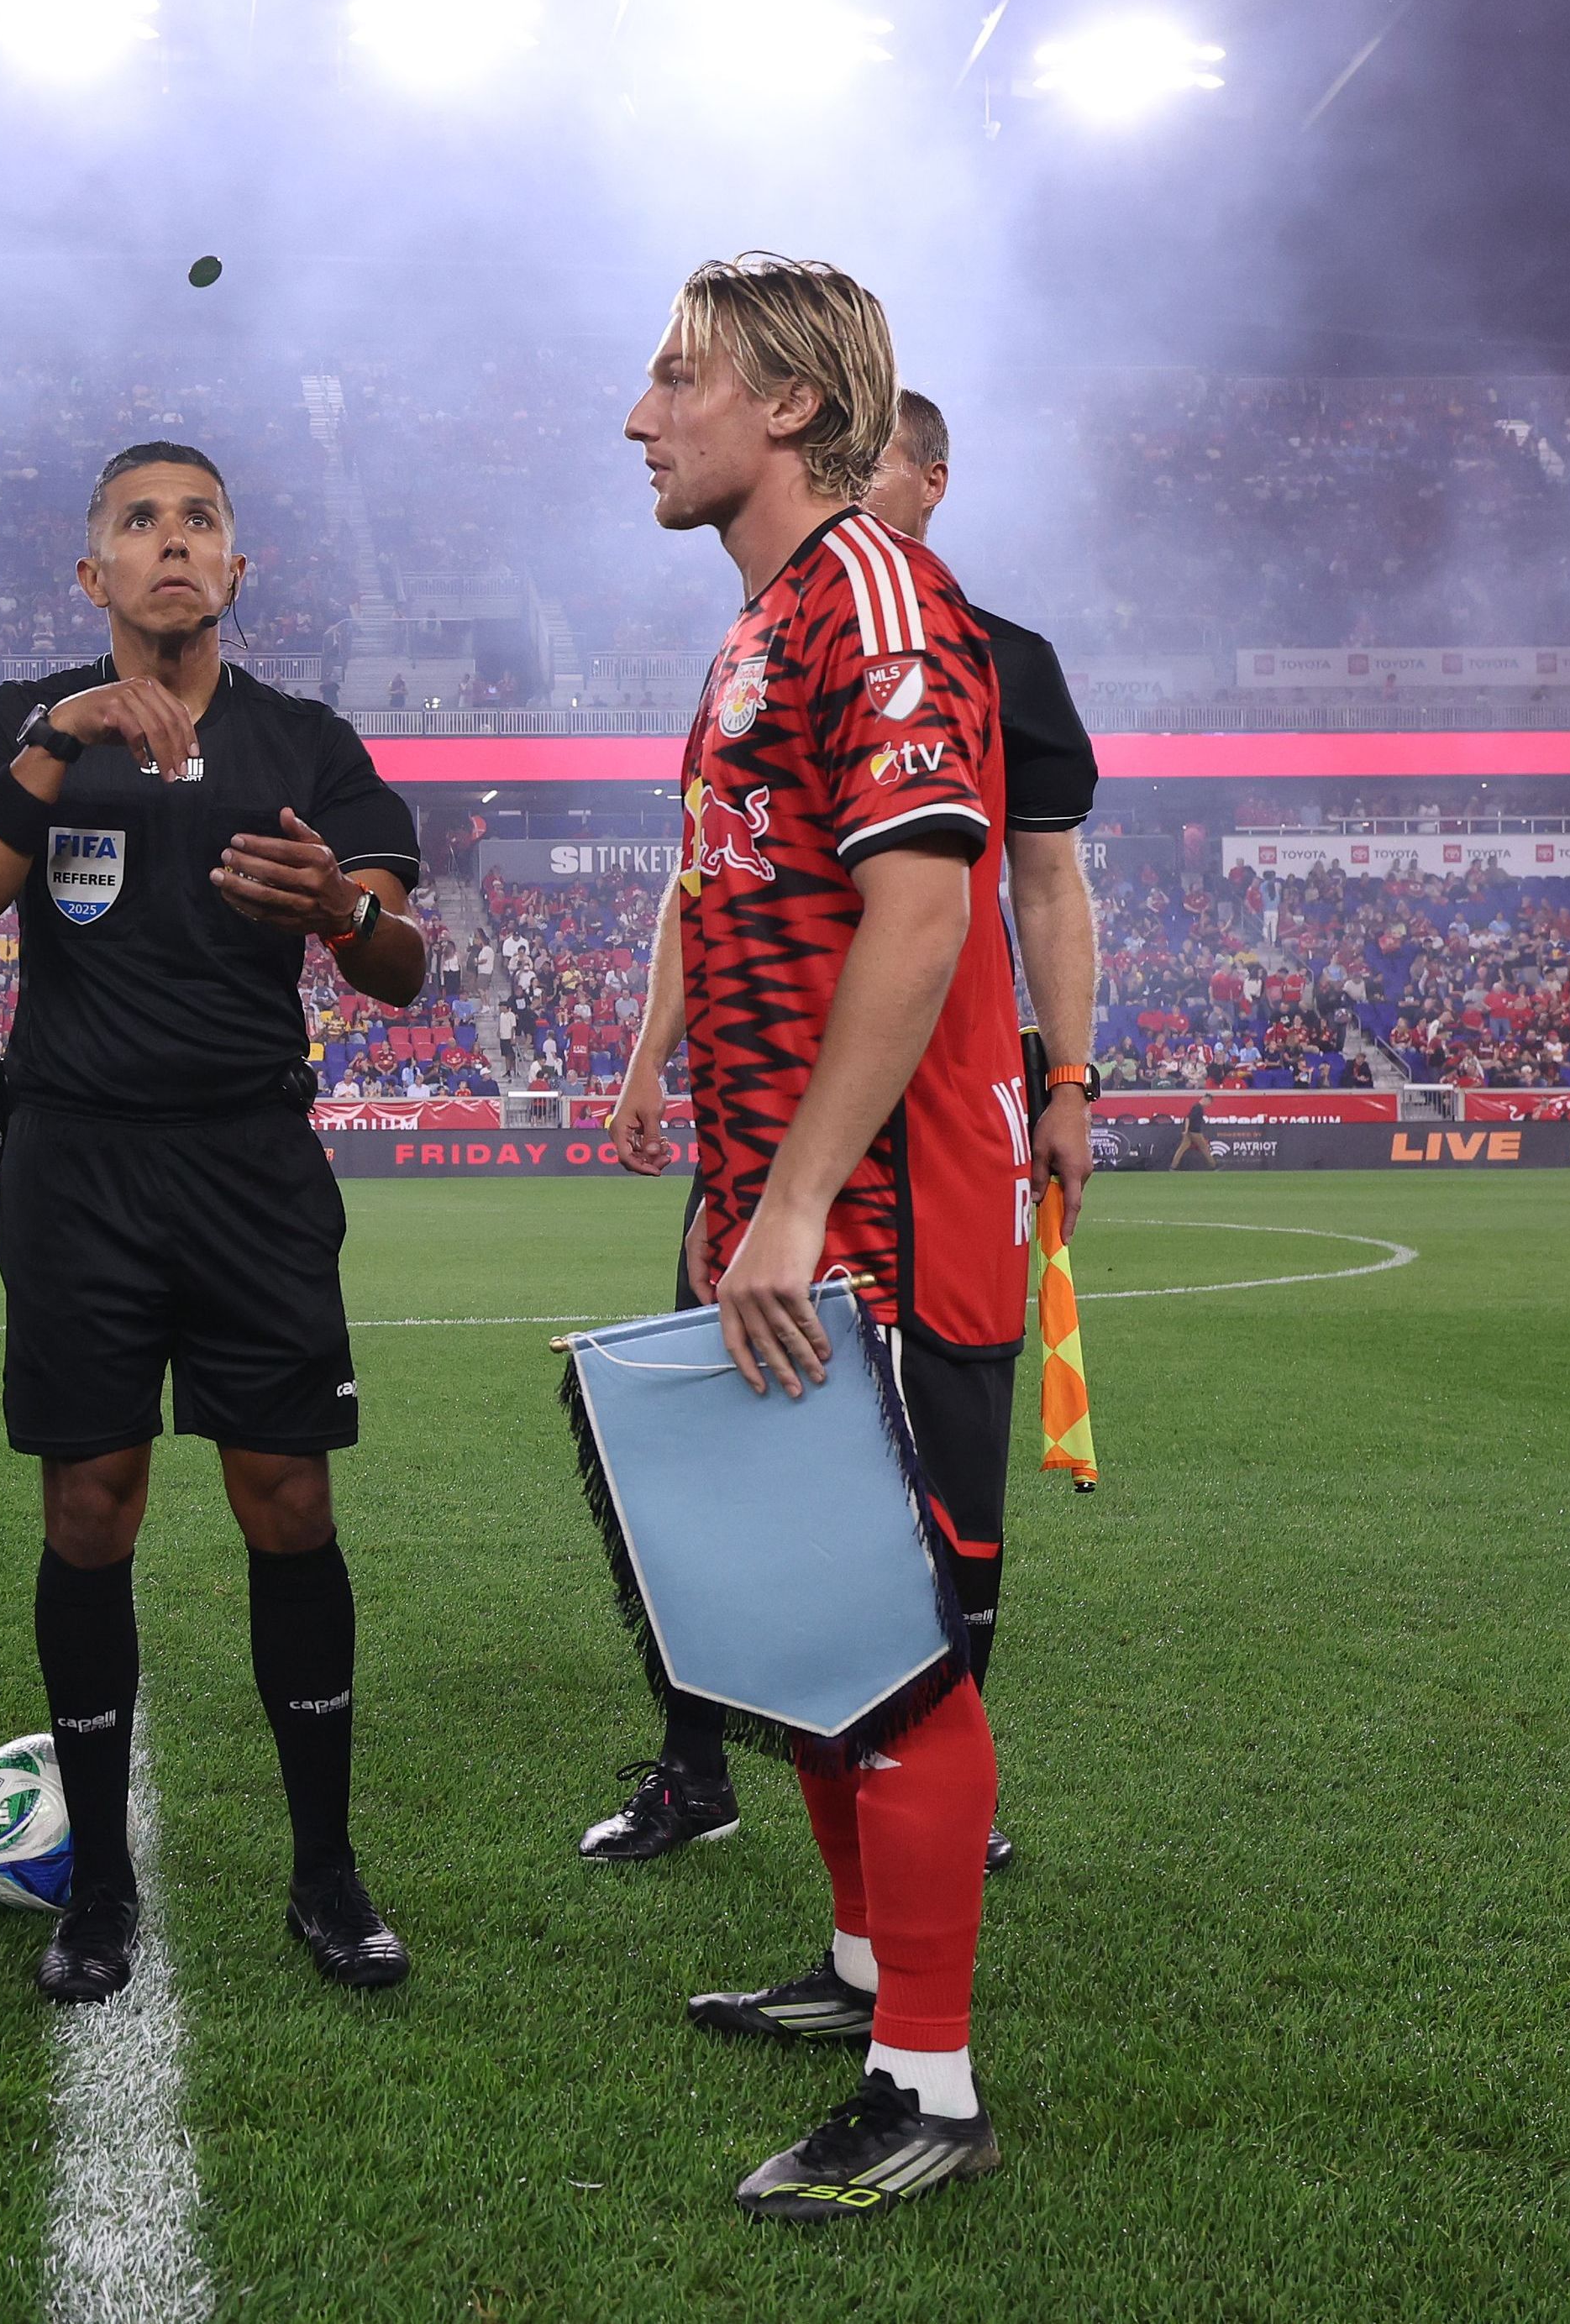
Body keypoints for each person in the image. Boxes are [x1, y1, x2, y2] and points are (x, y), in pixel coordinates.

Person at [0, 440, 432, 2008]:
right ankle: (104, 1888)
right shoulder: (29, 723)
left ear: (235, 566)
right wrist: (58, 744)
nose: (173, 542)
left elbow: (403, 960)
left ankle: (326, 1870)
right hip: (77, 1166)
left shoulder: (305, 741)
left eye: (201, 518)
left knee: (289, 1504)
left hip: (254, 1162)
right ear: (96, 575)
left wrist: (340, 909)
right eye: (140, 522)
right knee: (92, 1511)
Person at [622, 254, 1026, 2221]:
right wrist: (720, 1175)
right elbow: (753, 919)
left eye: (679, 377)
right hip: (788, 1214)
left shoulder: (870, 590)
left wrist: (786, 1206)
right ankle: (865, 1977)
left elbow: (928, 914)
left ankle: (926, 2083)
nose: (643, 415)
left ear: (789, 402)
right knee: (803, 1624)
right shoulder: (762, 628)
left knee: (909, 1656)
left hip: (888, 1219)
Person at [582, 386, 1097, 1877]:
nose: (644, 418)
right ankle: (718, 1775)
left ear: (927, 476)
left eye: (878, 463)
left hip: (900, 1150)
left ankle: (926, 1900)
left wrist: (1070, 1079)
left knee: (906, 1548)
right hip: (772, 1140)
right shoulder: (765, 634)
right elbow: (716, 880)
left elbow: (1020, 893)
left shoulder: (959, 644)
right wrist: (660, 1079)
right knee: (755, 1500)